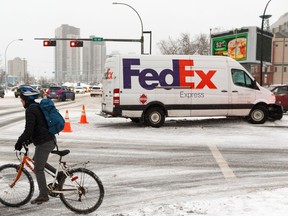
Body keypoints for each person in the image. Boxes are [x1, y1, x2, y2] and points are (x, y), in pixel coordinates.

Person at [15, 86, 57, 205]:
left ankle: (44, 195)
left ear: (27, 99)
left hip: (45, 142)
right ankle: (59, 175)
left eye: (22, 98)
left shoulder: (31, 110)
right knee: (36, 161)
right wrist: (27, 141)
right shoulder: (36, 107)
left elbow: (29, 130)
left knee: (38, 169)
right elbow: (36, 129)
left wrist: (19, 142)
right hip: (47, 140)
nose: (21, 101)